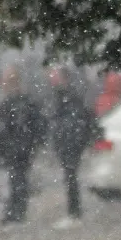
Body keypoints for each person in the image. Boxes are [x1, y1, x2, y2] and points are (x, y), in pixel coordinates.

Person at [0, 67, 46, 224]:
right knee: (16, 180)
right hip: (17, 149)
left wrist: (22, 145)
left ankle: (16, 212)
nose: (4, 85)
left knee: (17, 180)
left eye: (6, 82)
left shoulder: (19, 103)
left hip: (18, 150)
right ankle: (15, 211)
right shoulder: (16, 102)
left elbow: (13, 128)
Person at [48, 67, 96, 224]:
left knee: (70, 177)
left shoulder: (69, 97)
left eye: (56, 77)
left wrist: (68, 140)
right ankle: (73, 211)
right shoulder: (62, 96)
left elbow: (73, 123)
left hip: (70, 144)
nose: (53, 80)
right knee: (70, 177)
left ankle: (74, 212)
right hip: (67, 143)